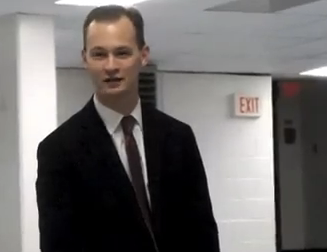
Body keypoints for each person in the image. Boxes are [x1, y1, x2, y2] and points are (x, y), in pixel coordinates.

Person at [36, 5, 220, 252]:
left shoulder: (178, 138)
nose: (110, 66)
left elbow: (202, 233)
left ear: (143, 55)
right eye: (99, 54)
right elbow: (58, 245)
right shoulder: (59, 150)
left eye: (122, 53)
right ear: (85, 59)